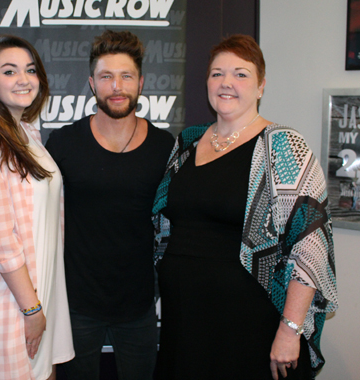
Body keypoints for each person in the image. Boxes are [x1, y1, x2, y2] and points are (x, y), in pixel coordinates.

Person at [152, 34, 338, 380]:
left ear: (261, 86)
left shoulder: (283, 146)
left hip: (249, 323)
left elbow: (310, 244)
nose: (226, 83)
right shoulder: (188, 142)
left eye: (240, 74)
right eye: (217, 73)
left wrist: (289, 330)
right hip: (185, 319)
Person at [45, 30, 175, 380]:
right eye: (106, 77)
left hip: (139, 307)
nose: (116, 86)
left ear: (141, 82)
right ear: (91, 83)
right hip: (77, 306)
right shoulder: (63, 143)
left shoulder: (165, 147)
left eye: (126, 76)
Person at [0, 35, 74, 380]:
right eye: (9, 71)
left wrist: (40, 307)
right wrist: (32, 308)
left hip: (38, 296)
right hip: (7, 303)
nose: (23, 79)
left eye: (30, 70)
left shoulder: (27, 133)